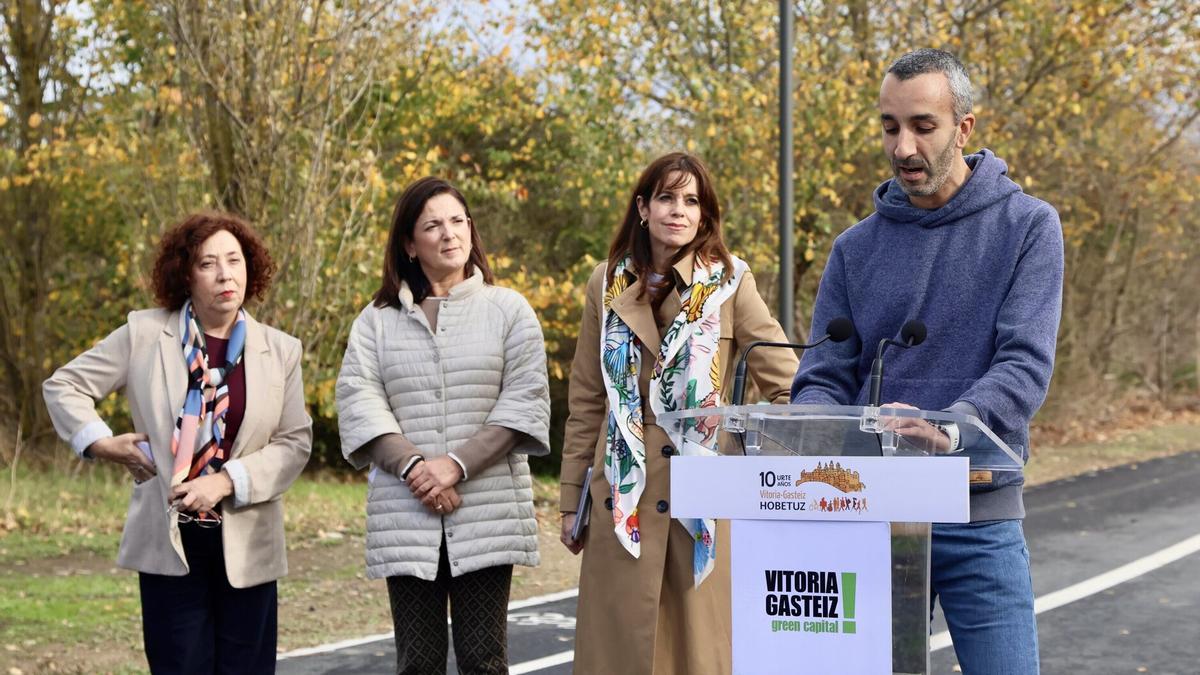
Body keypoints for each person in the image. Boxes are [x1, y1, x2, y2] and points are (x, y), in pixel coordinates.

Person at [791, 48, 1063, 674]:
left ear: (964, 127)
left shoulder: (1028, 227)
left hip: (978, 509)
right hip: (868, 512)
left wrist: (951, 427)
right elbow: (824, 377)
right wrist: (813, 426)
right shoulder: (853, 249)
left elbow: (1023, 364)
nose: (903, 146)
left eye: (922, 126)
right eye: (890, 127)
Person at [558, 152, 798, 675]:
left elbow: (787, 387)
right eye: (667, 197)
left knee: (698, 656)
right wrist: (570, 500)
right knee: (620, 654)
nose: (679, 210)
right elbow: (586, 402)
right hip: (622, 497)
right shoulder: (605, 283)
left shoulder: (732, 281)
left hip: (702, 499)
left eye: (692, 201)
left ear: (705, 216)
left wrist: (751, 473)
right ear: (643, 208)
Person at [42, 211, 313, 674]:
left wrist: (226, 482)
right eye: (209, 263)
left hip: (248, 544)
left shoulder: (280, 349)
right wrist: (103, 443)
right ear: (185, 274)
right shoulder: (145, 334)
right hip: (170, 544)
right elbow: (63, 386)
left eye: (235, 260)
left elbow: (294, 442)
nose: (226, 274)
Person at [336, 176, 551, 675]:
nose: (449, 234)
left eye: (458, 221)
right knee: (417, 662)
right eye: (432, 225)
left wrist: (455, 466)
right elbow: (359, 400)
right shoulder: (376, 321)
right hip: (405, 513)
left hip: (486, 511)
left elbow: (524, 401)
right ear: (410, 244)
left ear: (472, 231)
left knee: (484, 659)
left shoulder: (508, 310)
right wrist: (417, 469)